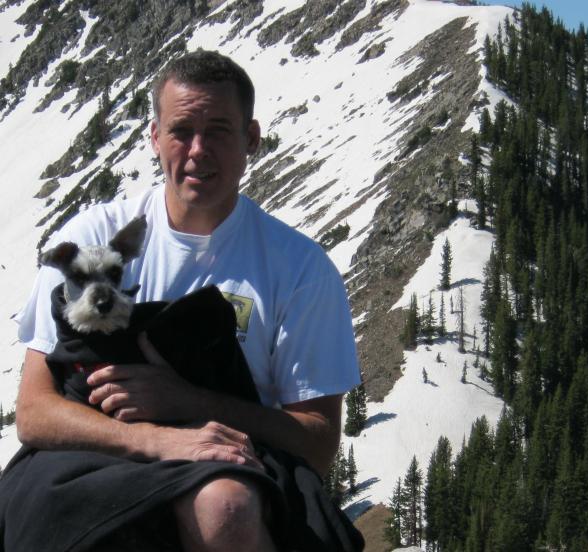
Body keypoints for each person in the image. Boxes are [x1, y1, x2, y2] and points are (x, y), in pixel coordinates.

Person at [7, 51, 362, 551]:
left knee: (226, 507)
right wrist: (154, 438)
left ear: (252, 139)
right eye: (180, 131)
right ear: (154, 138)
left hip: (230, 452)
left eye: (218, 130)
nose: (198, 150)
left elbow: (319, 442)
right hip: (100, 449)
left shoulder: (300, 269)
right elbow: (34, 412)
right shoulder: (93, 239)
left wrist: (188, 403)